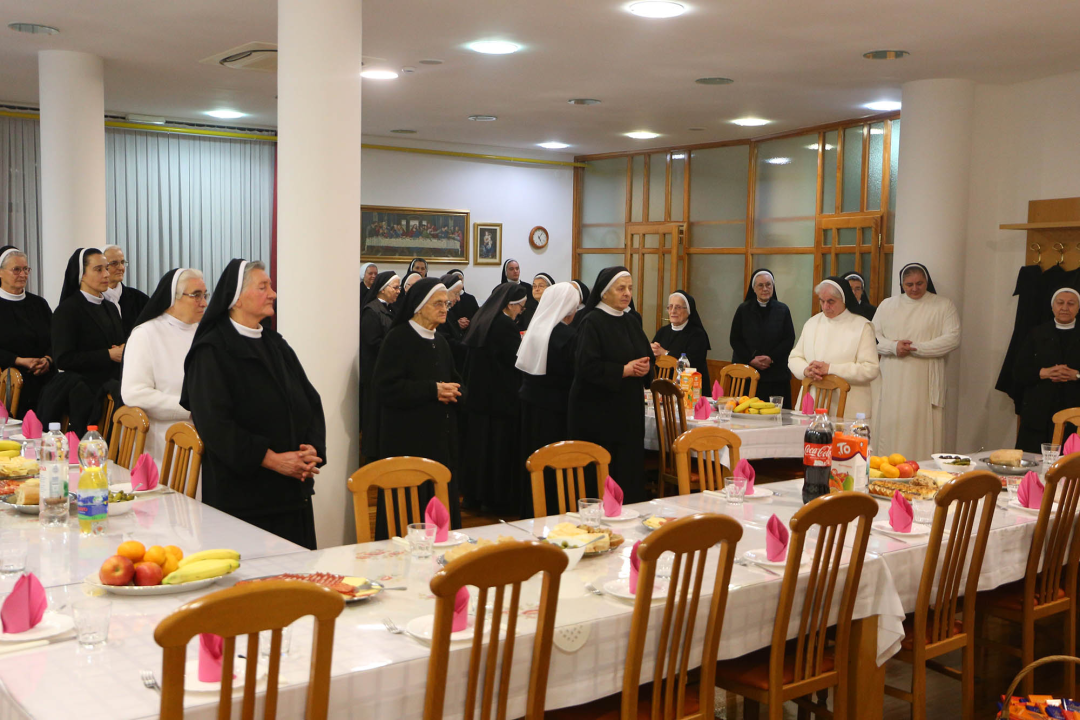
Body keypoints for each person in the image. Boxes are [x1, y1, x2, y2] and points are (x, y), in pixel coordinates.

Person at [181, 259, 325, 549]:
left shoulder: (276, 344)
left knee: (297, 584)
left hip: (291, 493)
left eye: (270, 286)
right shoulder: (211, 351)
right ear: (236, 298)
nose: (273, 293)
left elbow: (310, 400)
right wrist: (273, 460)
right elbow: (215, 426)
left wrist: (312, 449)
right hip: (243, 499)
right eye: (263, 287)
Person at [371, 277, 463, 535]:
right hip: (407, 442)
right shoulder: (397, 339)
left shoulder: (441, 341)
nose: (445, 308)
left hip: (440, 444)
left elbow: (455, 379)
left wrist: (457, 391)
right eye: (438, 303)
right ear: (419, 306)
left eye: (446, 303)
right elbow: (385, 387)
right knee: (405, 521)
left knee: (440, 521)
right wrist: (432, 390)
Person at [569, 266, 653, 503]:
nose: (627, 293)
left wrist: (646, 368)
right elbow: (585, 367)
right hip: (598, 411)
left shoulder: (631, 320)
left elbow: (646, 355)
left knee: (628, 467)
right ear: (605, 292)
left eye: (630, 288)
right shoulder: (591, 322)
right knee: (604, 469)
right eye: (621, 288)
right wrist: (623, 370)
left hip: (628, 410)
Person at [872, 263, 961, 459]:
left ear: (926, 282)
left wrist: (916, 348)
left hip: (925, 377)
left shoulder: (943, 305)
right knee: (891, 428)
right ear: (901, 284)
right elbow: (873, 337)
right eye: (909, 284)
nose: (914, 288)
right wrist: (894, 347)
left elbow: (952, 338)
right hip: (893, 377)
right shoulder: (887, 304)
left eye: (919, 283)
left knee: (922, 431)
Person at [120, 269, 207, 462]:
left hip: (205, 435)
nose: (204, 303)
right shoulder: (146, 334)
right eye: (196, 296)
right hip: (164, 443)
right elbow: (134, 392)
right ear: (173, 297)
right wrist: (191, 409)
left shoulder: (202, 333)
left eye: (205, 295)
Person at [460, 282, 529, 513]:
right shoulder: (504, 325)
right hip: (500, 400)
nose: (521, 311)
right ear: (510, 305)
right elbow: (516, 361)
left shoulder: (483, 319)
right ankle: (495, 499)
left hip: (479, 399)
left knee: (479, 450)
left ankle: (474, 495)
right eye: (521, 307)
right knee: (496, 451)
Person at [516, 282, 580, 517]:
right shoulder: (566, 335)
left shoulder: (537, 327)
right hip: (555, 409)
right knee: (552, 465)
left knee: (532, 461)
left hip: (530, 405)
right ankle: (551, 512)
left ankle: (530, 510)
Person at [52, 248, 126, 432]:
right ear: (81, 275)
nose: (106, 274)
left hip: (113, 387)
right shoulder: (68, 310)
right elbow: (64, 358)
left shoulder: (111, 307)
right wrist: (107, 355)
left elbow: (117, 345)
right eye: (99, 269)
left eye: (106, 268)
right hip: (84, 392)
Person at [788, 276, 879, 419]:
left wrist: (831, 369)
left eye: (831, 301)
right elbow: (795, 357)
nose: (825, 307)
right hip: (813, 399)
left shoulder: (862, 326)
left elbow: (870, 368)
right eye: (822, 301)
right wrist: (806, 369)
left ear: (844, 300)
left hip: (849, 403)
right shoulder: (812, 323)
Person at [1015, 287, 1080, 452]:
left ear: (1078, 308)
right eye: (1060, 303)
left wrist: (1077, 374)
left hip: (1074, 412)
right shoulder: (1036, 334)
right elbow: (1018, 372)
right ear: (1052, 307)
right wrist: (1042, 373)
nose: (1065, 307)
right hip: (1038, 412)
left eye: (1071, 303)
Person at [0, 246, 55, 417]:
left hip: (44, 378)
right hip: (8, 380)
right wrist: (19, 361)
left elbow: (56, 339)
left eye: (25, 269)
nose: (23, 274)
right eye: (16, 269)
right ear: (1, 273)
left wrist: (48, 359)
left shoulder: (39, 304)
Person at [730, 269, 796, 407]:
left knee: (776, 415)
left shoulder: (783, 310)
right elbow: (735, 339)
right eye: (760, 285)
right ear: (753, 288)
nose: (765, 289)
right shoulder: (743, 310)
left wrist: (771, 358)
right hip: (748, 372)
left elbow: (789, 339)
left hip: (775, 374)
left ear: (773, 286)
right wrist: (751, 359)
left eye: (768, 284)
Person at [359, 271, 400, 459]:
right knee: (373, 419)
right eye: (396, 287)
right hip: (375, 373)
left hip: (387, 372)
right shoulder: (371, 310)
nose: (399, 291)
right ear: (383, 290)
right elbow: (373, 341)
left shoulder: (392, 309)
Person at [651, 290, 711, 390]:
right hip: (663, 387)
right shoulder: (662, 332)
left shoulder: (697, 334)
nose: (673, 311)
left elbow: (693, 363)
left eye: (678, 307)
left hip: (691, 389)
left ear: (688, 311)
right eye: (670, 307)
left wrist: (665, 353)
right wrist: (651, 351)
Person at [102, 245, 150, 339]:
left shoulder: (140, 299)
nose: (121, 268)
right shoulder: (94, 300)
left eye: (122, 262)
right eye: (114, 263)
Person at [435, 273, 468, 372]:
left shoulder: (450, 313)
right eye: (456, 293)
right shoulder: (438, 316)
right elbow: (447, 342)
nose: (458, 299)